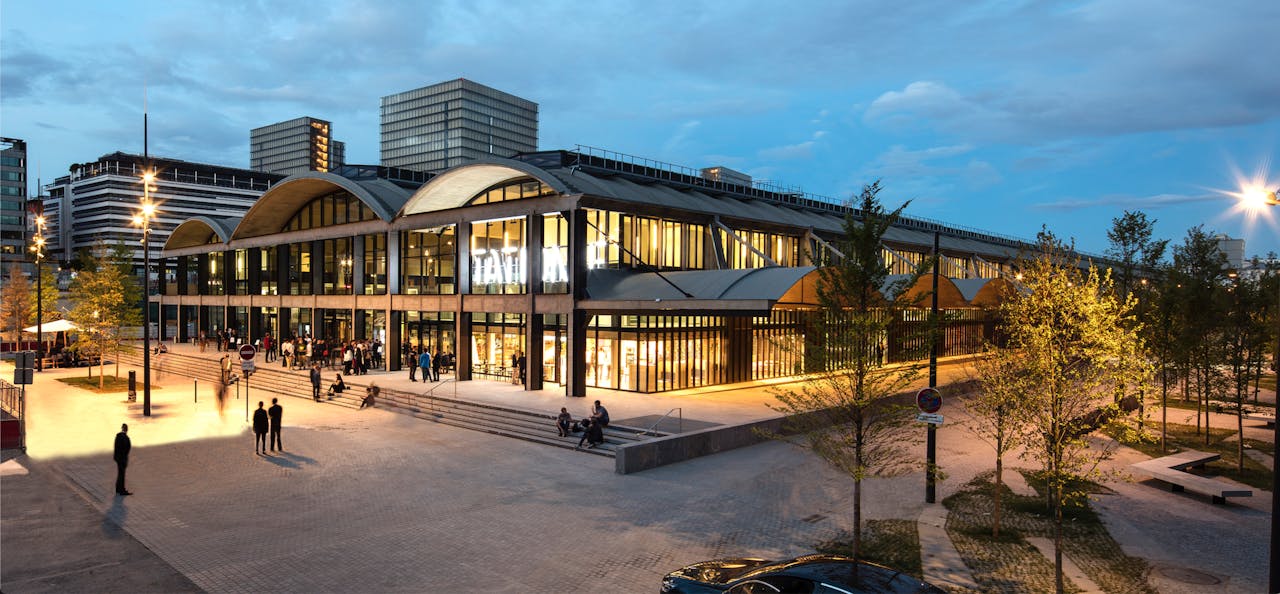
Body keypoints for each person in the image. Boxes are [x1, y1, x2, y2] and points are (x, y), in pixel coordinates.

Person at [114, 423, 132, 496]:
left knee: (120, 474)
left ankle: (118, 489)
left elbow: (117, 448)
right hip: (122, 458)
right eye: (126, 428)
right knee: (122, 474)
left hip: (119, 458)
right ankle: (122, 490)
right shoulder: (124, 437)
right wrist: (124, 457)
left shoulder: (118, 436)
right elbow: (125, 448)